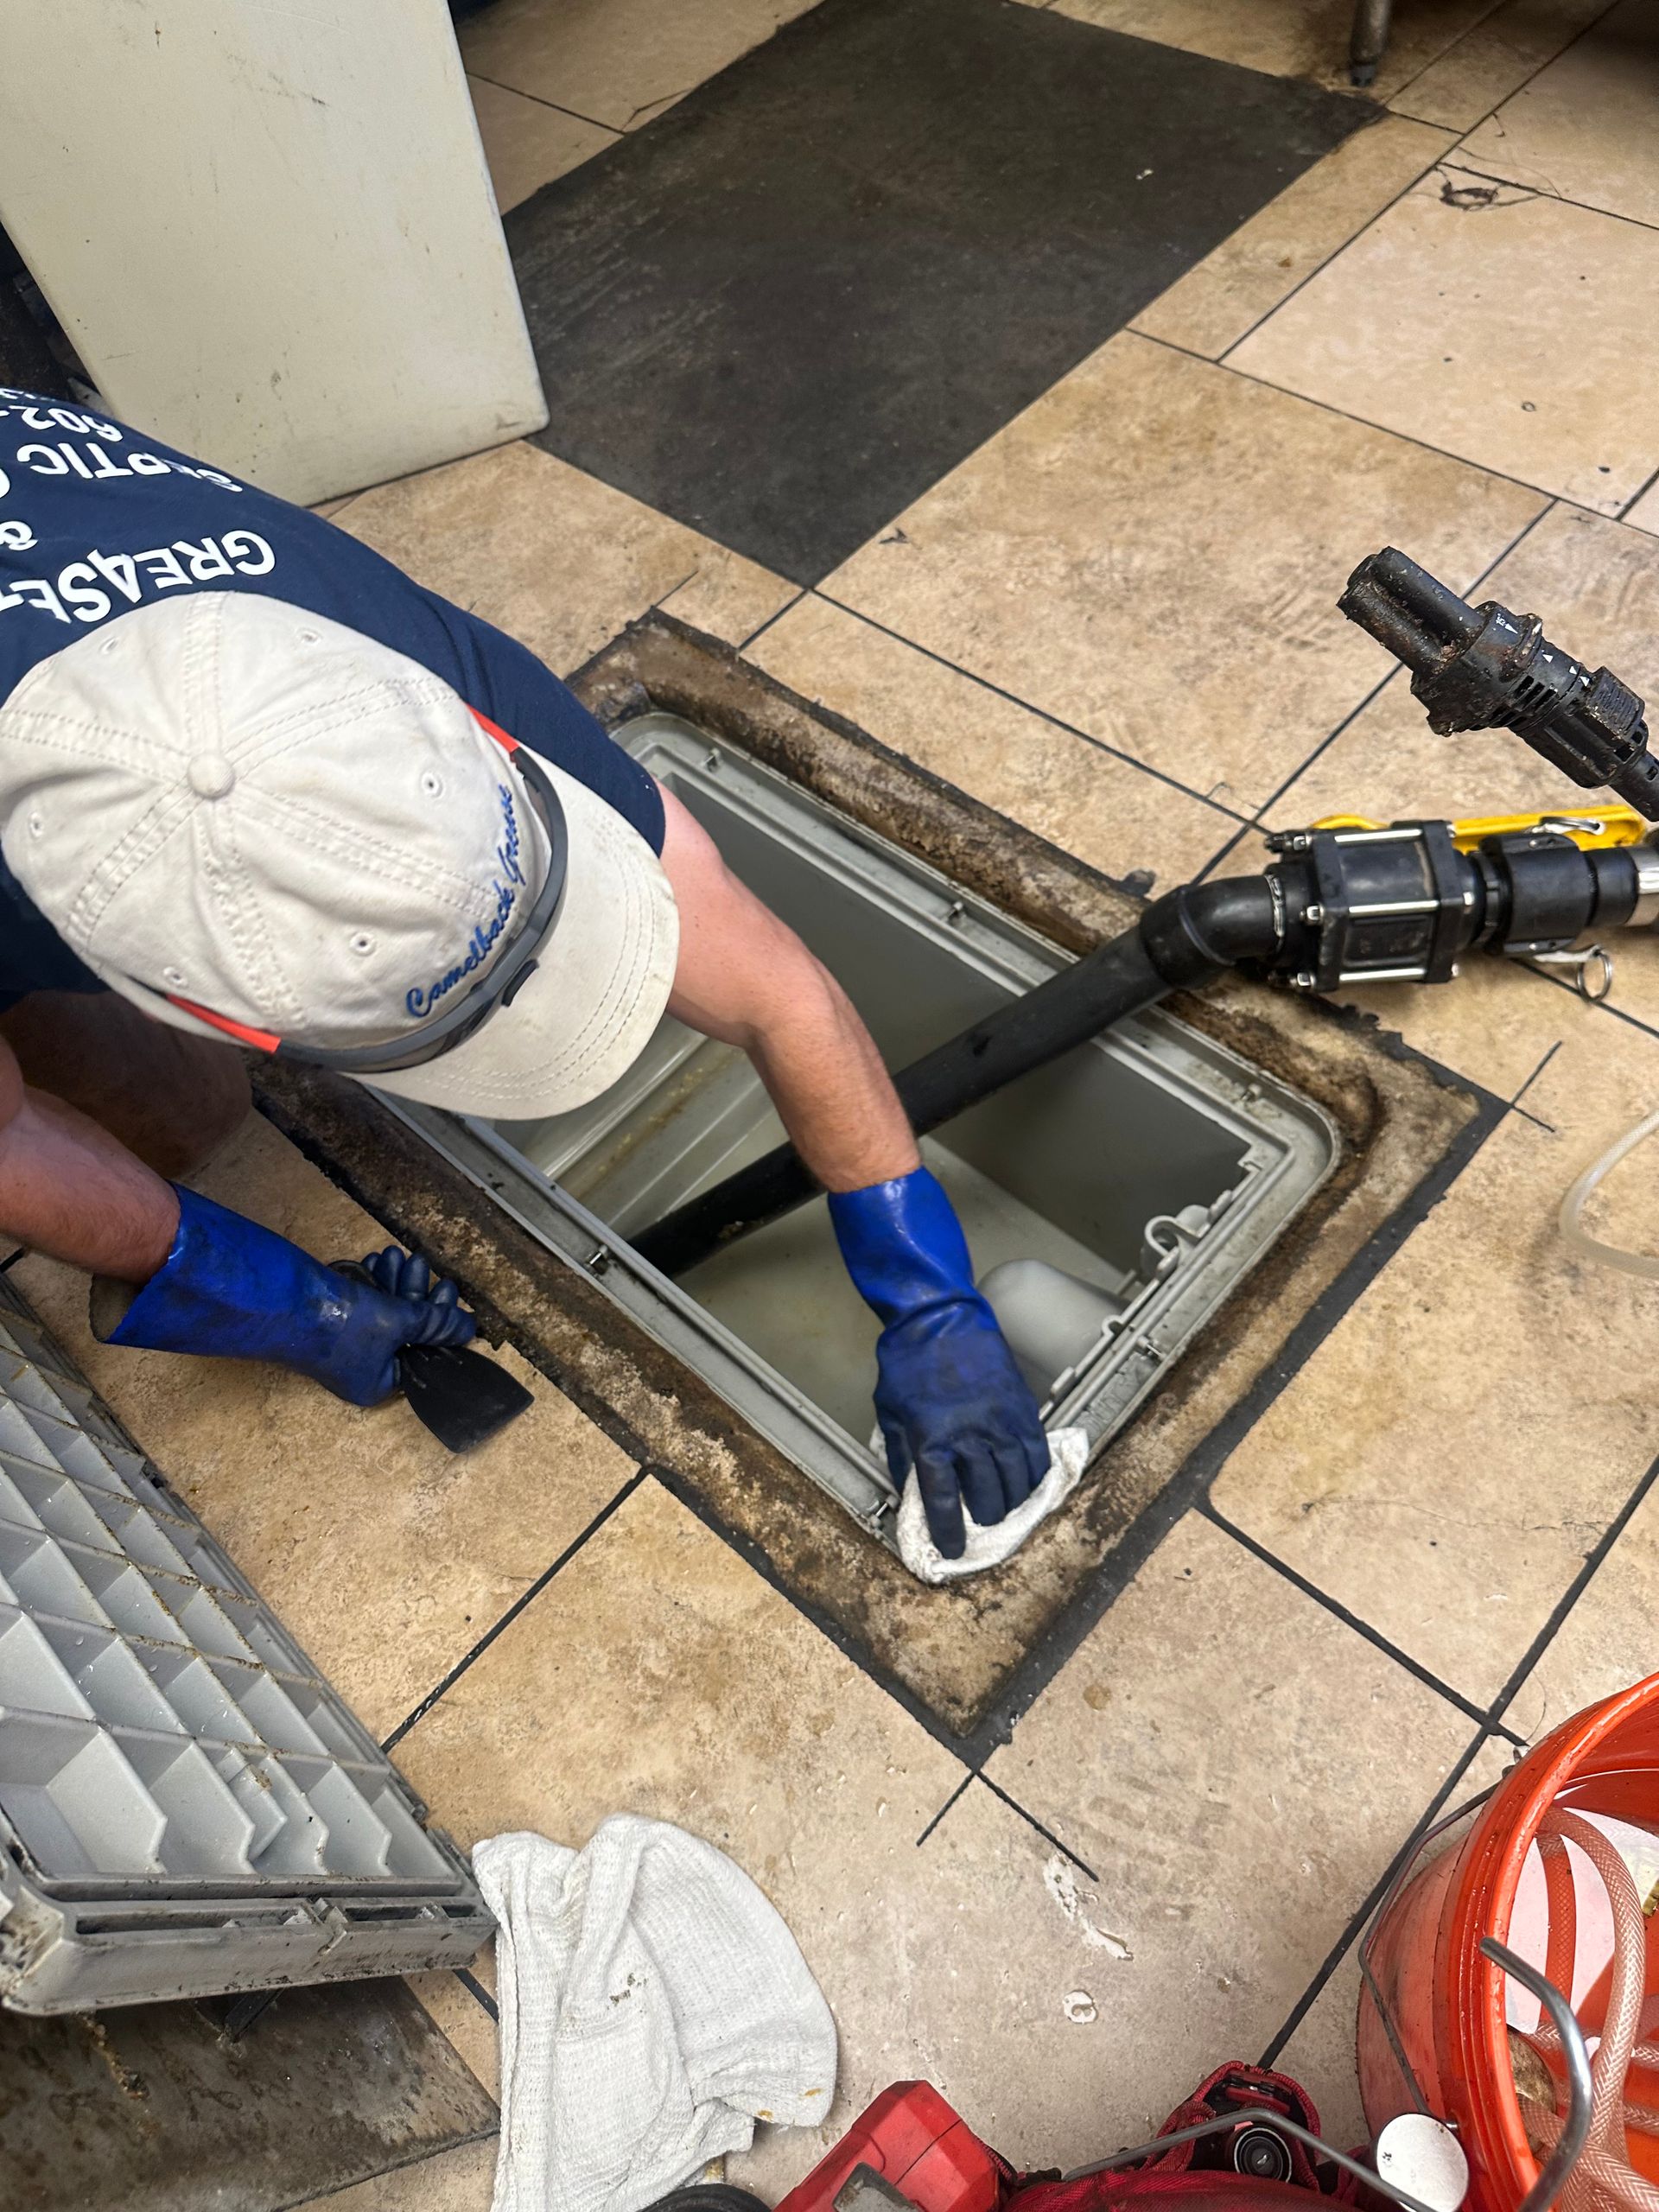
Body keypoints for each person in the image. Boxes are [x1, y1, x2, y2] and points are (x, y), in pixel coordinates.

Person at [0, 387, 1049, 1559]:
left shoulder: (355, 662)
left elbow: (771, 986)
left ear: (476, 745)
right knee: (169, 1109)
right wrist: (283, 1305)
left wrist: (930, 1298)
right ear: (203, 1009)